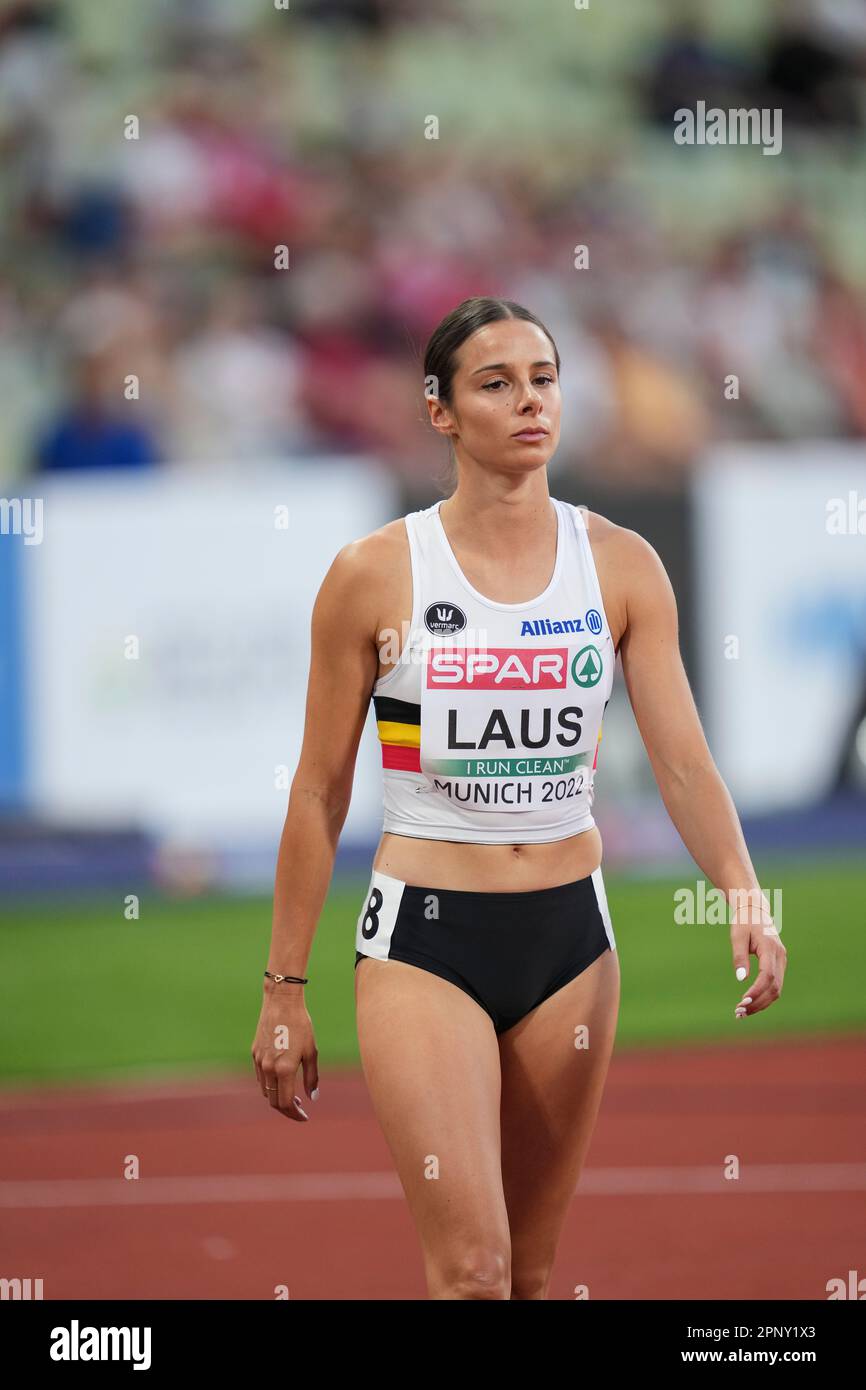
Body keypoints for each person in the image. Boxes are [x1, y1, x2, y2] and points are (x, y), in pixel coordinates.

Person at [251, 296, 787, 1301]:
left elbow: (680, 764)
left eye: (541, 377)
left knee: (531, 1275)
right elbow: (319, 790)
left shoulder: (618, 564)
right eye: (494, 383)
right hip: (424, 942)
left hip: (569, 943)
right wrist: (284, 988)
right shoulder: (373, 574)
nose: (527, 400)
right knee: (470, 1270)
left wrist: (741, 893)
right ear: (439, 411)